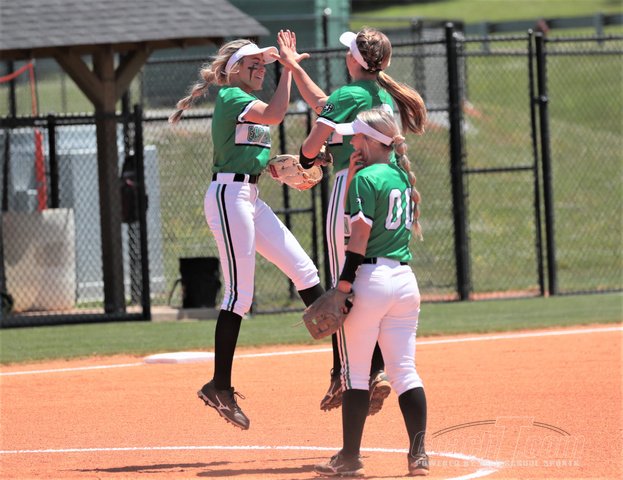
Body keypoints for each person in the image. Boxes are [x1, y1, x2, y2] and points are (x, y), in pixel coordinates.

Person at [169, 34, 324, 430]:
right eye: (253, 63)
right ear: (234, 68)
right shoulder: (231, 96)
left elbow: (250, 144)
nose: (260, 68)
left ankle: (344, 369)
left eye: (262, 64)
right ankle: (219, 386)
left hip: (249, 196)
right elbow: (275, 114)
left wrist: (273, 167)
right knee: (240, 295)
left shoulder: (244, 100)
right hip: (228, 196)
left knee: (305, 271)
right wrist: (288, 69)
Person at [276, 28, 427, 414]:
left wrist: (309, 160)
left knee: (342, 285)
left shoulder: (349, 94)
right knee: (366, 277)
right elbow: (325, 104)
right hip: (385, 187)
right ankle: (371, 368)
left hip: (352, 186)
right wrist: (294, 68)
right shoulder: (380, 95)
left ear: (353, 60)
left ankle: (350, 373)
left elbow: (310, 146)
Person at [313, 108, 429, 477]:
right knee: (404, 371)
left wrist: (342, 287)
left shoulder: (365, 179)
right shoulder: (400, 175)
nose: (353, 143)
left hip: (370, 280)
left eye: (358, 137)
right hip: (404, 282)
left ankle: (349, 457)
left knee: (356, 373)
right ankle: (418, 456)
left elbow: (359, 239)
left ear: (371, 141)